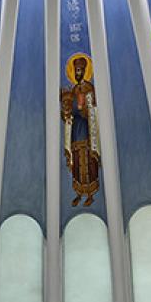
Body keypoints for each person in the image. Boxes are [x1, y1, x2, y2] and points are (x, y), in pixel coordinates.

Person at [61, 52, 100, 207]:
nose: (78, 73)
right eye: (75, 70)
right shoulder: (73, 90)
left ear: (84, 71)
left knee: (89, 161)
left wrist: (82, 109)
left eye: (80, 70)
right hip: (75, 131)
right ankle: (78, 193)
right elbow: (68, 113)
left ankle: (90, 193)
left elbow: (92, 110)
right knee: (77, 160)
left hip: (88, 130)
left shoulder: (89, 88)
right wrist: (66, 111)